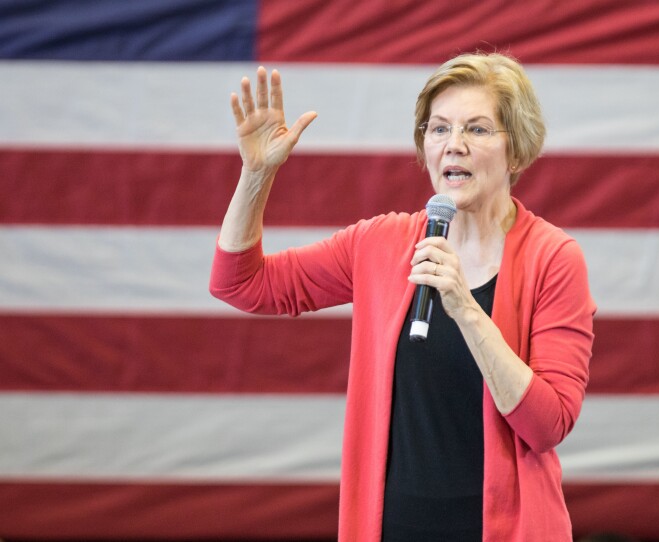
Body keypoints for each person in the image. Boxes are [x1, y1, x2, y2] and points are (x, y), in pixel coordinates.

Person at [209, 52, 596, 542]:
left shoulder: (554, 259)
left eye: (476, 130)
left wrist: (466, 309)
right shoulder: (380, 243)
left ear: (516, 151)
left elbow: (548, 425)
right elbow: (241, 284)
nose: (453, 145)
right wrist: (256, 175)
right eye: (439, 129)